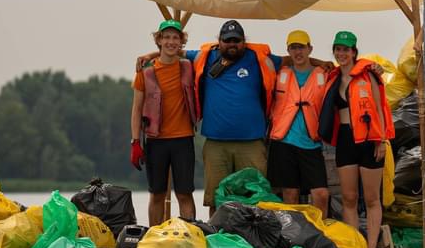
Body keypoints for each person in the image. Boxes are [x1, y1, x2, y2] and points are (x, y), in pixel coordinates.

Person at [188, 20, 282, 215]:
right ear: (219, 41)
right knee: (215, 199)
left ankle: (255, 241)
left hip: (252, 143)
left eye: (236, 40)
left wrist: (322, 63)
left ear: (244, 42)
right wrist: (150, 55)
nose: (232, 44)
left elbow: (292, 60)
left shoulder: (258, 58)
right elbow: (173, 53)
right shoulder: (205, 58)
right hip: (216, 143)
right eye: (227, 40)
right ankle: (216, 240)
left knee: (257, 198)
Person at [318, 30, 395, 248]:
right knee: (349, 197)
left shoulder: (367, 74)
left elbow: (380, 106)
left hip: (369, 139)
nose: (342, 54)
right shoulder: (333, 77)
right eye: (338, 49)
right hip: (345, 138)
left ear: (354, 52)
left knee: (372, 198)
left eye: (346, 50)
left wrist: (381, 139)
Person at [130, 19, 197, 226]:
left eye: (175, 38)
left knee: (184, 194)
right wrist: (135, 142)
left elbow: (207, 53)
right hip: (156, 140)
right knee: (156, 194)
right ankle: (154, 237)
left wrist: (150, 53)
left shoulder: (188, 66)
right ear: (159, 40)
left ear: (181, 41)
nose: (171, 42)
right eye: (166, 37)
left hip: (183, 138)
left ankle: (190, 234)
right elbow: (137, 109)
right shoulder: (146, 72)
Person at [267, 30, 331, 217]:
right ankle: (294, 236)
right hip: (284, 142)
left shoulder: (324, 73)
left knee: (321, 194)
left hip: (311, 143)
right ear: (288, 51)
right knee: (290, 193)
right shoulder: (280, 73)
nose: (298, 52)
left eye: (301, 47)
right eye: (293, 48)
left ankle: (320, 233)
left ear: (310, 48)